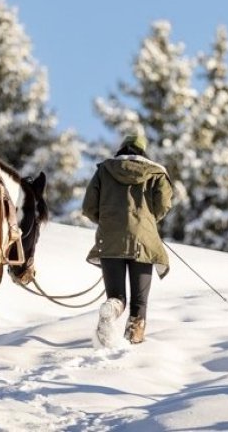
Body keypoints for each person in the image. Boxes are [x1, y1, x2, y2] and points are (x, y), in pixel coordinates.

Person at [81, 130, 173, 345]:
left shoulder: (104, 170)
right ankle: (133, 339)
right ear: (143, 151)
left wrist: (109, 222)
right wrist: (148, 221)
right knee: (139, 300)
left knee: (116, 296)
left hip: (110, 239)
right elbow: (164, 204)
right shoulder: (156, 173)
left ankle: (111, 309)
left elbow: (88, 207)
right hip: (144, 241)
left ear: (122, 148)